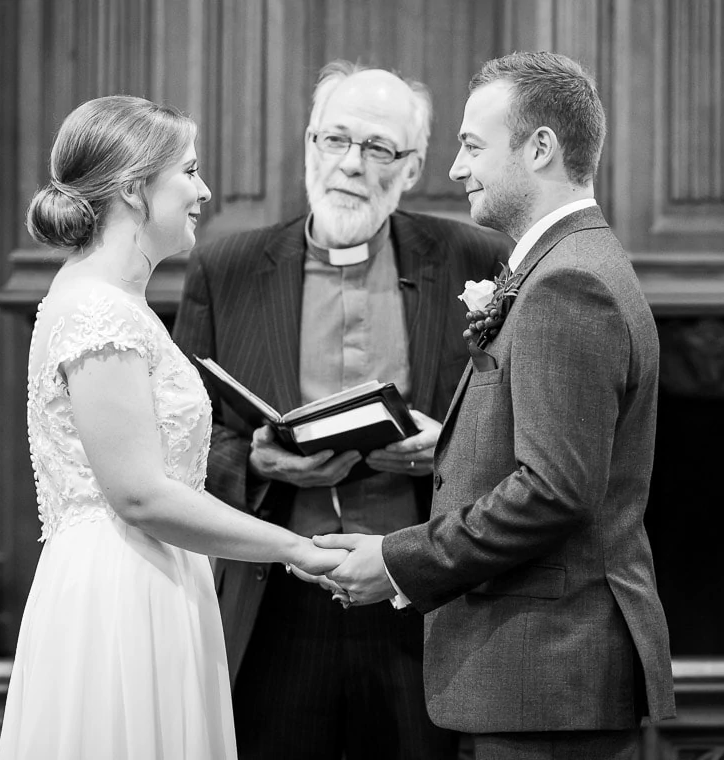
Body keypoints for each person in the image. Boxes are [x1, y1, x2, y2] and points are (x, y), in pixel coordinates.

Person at [314, 52, 677, 759]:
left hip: (548, 675)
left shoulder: (571, 283)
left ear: (539, 147)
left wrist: (398, 559)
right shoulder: (567, 262)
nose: (455, 168)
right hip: (538, 677)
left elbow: (554, 491)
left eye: (473, 145)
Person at [172, 62, 508, 760]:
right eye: (334, 140)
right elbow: (184, 439)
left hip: (422, 599)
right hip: (278, 606)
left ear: (413, 167)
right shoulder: (226, 268)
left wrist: (450, 444)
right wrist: (257, 462)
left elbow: (513, 422)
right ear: (307, 146)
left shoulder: (478, 258)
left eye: (379, 148)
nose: (350, 165)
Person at [0, 96, 346, 760]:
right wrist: (294, 547)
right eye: (188, 171)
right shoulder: (98, 310)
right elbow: (139, 494)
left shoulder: (116, 301)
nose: (204, 191)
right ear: (134, 188)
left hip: (156, 573)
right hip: (118, 593)